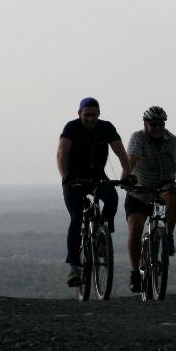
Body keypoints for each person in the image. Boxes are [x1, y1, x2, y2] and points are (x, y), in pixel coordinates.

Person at [57, 97, 135, 287]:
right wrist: (65, 176)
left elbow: (121, 153)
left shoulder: (106, 127)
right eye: (86, 115)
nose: (90, 118)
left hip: (97, 177)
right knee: (76, 218)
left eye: (93, 114)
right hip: (73, 179)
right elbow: (61, 153)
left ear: (99, 114)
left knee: (112, 197)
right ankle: (74, 268)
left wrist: (128, 174)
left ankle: (103, 234)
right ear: (79, 114)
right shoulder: (71, 127)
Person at [125, 106, 176, 292]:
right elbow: (131, 160)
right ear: (146, 124)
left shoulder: (172, 141)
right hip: (139, 188)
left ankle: (168, 236)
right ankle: (134, 272)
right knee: (135, 226)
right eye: (153, 124)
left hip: (163, 184)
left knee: (173, 192)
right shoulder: (137, 138)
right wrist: (126, 178)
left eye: (161, 124)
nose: (158, 127)